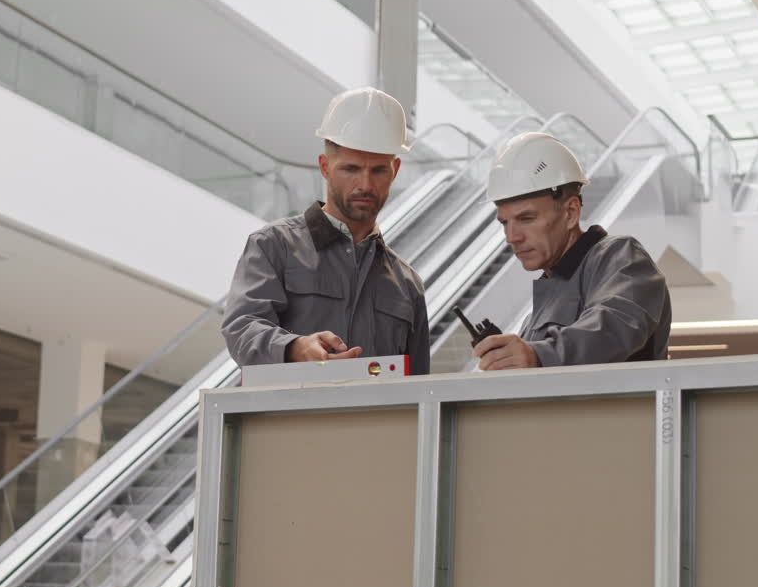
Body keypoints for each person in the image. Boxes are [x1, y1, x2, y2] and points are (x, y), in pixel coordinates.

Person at [222, 87, 430, 375]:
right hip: (290, 420)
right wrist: (294, 348)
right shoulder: (274, 246)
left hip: (376, 421)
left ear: (394, 170)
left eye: (378, 171)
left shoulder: (408, 286)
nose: (365, 185)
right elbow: (242, 328)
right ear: (325, 167)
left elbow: (417, 385)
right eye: (351, 169)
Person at [472, 132, 670, 371]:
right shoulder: (541, 306)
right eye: (505, 223)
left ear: (571, 212)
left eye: (526, 218)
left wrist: (538, 355)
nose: (512, 237)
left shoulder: (620, 258)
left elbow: (614, 328)